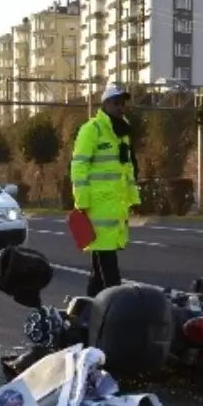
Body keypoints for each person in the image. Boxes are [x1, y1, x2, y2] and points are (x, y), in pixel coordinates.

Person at [70, 85, 141, 297]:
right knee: (110, 274)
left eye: (122, 103)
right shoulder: (92, 130)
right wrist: (81, 202)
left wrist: (133, 198)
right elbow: (79, 166)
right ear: (106, 104)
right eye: (116, 103)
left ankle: (88, 313)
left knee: (98, 274)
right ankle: (114, 311)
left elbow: (126, 170)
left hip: (115, 208)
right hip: (97, 209)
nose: (121, 107)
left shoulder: (122, 134)